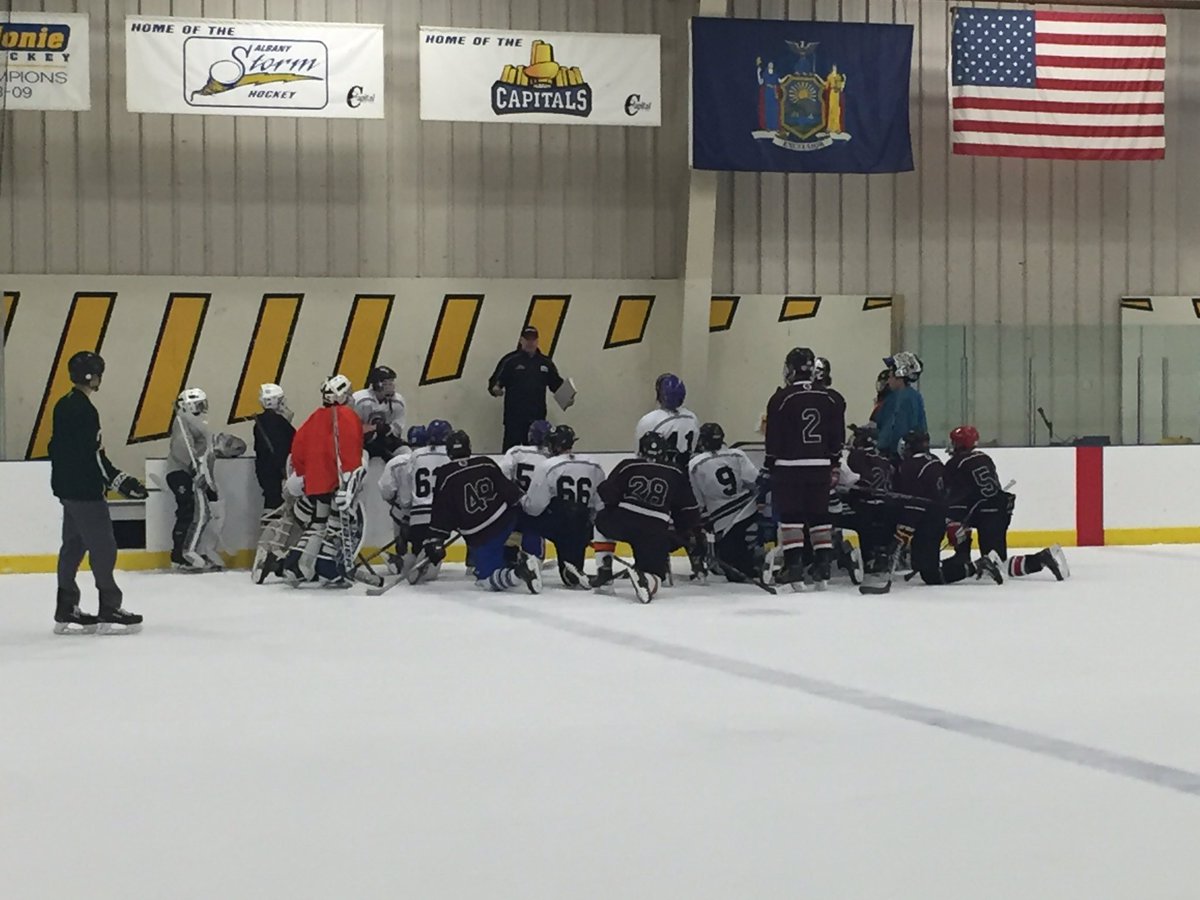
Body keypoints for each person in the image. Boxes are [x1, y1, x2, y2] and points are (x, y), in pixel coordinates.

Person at [48, 351, 146, 635]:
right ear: (92, 376)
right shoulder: (84, 410)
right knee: (103, 549)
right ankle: (109, 607)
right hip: (86, 492)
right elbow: (94, 457)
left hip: (68, 489)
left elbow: (61, 449)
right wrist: (122, 482)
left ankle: (66, 607)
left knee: (73, 547)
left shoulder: (63, 404)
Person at [862, 430, 1003, 594]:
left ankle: (979, 565)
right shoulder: (934, 460)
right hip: (936, 519)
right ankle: (960, 562)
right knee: (923, 565)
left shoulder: (910, 466)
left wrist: (902, 533)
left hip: (926, 523)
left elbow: (914, 503)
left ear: (909, 447)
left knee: (931, 575)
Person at [421, 429, 542, 593]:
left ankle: (518, 572)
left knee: (485, 580)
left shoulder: (445, 475)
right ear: (469, 448)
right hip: (506, 520)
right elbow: (511, 493)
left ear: (449, 452)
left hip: (483, 535)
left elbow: (442, 512)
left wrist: (435, 539)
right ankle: (530, 556)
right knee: (529, 518)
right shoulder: (486, 462)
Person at [764, 347, 845, 589]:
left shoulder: (781, 398)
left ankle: (794, 567)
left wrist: (770, 463)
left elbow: (773, 438)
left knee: (792, 518)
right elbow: (836, 436)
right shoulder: (829, 397)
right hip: (820, 466)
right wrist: (833, 461)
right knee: (820, 517)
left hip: (789, 467)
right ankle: (823, 566)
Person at [945, 425, 1068, 581]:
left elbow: (955, 498)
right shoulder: (984, 457)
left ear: (960, 444)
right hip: (1000, 508)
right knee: (996, 560)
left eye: (954, 442)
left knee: (995, 563)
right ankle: (1043, 558)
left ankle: (1039, 560)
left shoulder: (955, 464)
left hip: (985, 512)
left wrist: (952, 520)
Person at [591, 431, 702, 603]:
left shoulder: (628, 465)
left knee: (601, 522)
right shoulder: (676, 472)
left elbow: (607, 492)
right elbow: (689, 511)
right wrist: (679, 534)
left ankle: (604, 571)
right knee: (656, 574)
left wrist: (616, 507)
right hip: (655, 528)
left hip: (623, 520)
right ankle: (648, 580)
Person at [284, 375, 366, 587]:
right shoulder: (347, 416)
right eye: (348, 393)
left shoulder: (315, 417)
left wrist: (304, 474)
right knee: (336, 525)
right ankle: (328, 569)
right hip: (335, 481)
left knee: (318, 523)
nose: (351, 397)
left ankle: (295, 564)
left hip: (316, 481)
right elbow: (350, 451)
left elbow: (297, 449)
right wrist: (349, 482)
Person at [522, 425, 605, 587]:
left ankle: (530, 560)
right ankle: (576, 568)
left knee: (521, 517)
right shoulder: (594, 465)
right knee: (570, 577)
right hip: (583, 525)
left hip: (558, 523)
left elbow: (534, 508)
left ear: (554, 444)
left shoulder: (548, 466)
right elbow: (599, 504)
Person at [687, 422, 763, 581]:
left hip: (719, 516)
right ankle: (751, 561)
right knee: (741, 544)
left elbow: (697, 498)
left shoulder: (695, 464)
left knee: (730, 559)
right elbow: (755, 480)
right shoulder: (737, 454)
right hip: (747, 510)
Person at [166, 387, 224, 571]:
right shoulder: (183, 421)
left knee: (196, 512)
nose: (202, 407)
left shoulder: (193, 423)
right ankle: (183, 555)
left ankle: (189, 552)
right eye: (198, 404)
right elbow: (183, 447)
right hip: (181, 473)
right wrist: (193, 470)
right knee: (190, 512)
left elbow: (200, 450)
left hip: (190, 473)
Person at [488, 326, 564, 451]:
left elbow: (556, 384)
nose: (530, 343)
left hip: (537, 419)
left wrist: (567, 399)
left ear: (537, 341)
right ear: (521, 340)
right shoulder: (510, 360)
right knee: (511, 451)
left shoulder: (546, 363)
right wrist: (496, 389)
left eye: (533, 340)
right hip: (514, 418)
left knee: (537, 452)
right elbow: (494, 382)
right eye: (527, 339)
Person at [378, 424, 429, 575]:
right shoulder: (432, 460)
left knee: (402, 536)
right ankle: (414, 560)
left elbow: (386, 491)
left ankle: (401, 558)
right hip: (425, 515)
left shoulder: (397, 461)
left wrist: (396, 503)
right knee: (424, 555)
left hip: (401, 513)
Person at [634, 373, 701, 465]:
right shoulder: (692, 418)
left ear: (659, 394)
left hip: (661, 473)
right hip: (685, 473)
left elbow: (641, 456)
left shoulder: (649, 420)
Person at [876, 351, 927, 456]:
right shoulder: (912, 396)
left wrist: (879, 445)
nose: (888, 381)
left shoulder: (902, 399)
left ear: (899, 376)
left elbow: (894, 429)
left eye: (890, 376)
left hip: (897, 456)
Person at [253, 383, 295, 512]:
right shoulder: (280, 423)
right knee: (277, 506)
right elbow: (290, 443)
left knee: (271, 501)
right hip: (279, 472)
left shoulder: (258, 423)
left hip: (264, 470)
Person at [353, 365, 407, 460]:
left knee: (405, 452)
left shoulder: (398, 401)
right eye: (387, 383)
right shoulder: (359, 400)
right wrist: (373, 429)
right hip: (361, 443)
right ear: (377, 384)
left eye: (391, 382)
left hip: (385, 440)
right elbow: (350, 429)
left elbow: (398, 428)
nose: (392, 386)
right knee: (361, 458)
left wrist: (388, 429)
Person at [500, 419, 551, 492]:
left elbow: (502, 476)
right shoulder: (553, 457)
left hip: (517, 499)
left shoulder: (516, 451)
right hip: (541, 500)